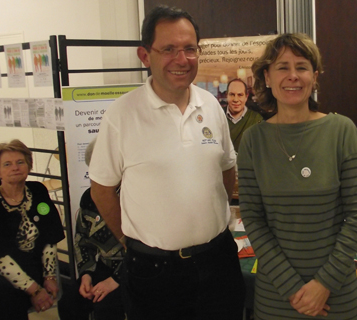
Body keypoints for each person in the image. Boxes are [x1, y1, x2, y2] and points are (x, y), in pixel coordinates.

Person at [89, 5, 245, 320]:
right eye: (169, 49)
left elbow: (227, 171)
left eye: (190, 49)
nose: (181, 59)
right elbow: (101, 191)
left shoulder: (212, 105)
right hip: (154, 273)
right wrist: (126, 239)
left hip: (218, 262)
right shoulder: (121, 115)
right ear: (145, 56)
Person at [237, 33, 357, 319]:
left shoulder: (342, 131)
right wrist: (292, 288)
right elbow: (253, 218)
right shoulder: (252, 140)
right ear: (267, 78)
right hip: (277, 296)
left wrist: (323, 284)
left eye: (302, 67)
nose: (293, 76)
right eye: (282, 67)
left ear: (314, 76)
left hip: (337, 293)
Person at [0, 139, 65, 320]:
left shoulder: (37, 191)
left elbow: (49, 238)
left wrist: (50, 277)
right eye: (7, 164)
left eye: (20, 162)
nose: (15, 167)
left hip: (33, 263)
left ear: (29, 166)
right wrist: (35, 290)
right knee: (3, 295)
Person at [58, 138, 125, 320]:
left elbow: (143, 249)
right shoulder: (89, 197)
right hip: (102, 267)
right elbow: (82, 240)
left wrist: (116, 280)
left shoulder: (134, 197)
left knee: (106, 307)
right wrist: (87, 274)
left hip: (133, 270)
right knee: (69, 302)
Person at [226, 78, 263, 153]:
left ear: (246, 97)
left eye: (240, 95)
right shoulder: (217, 116)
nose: (236, 99)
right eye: (232, 94)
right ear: (227, 95)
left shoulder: (256, 119)